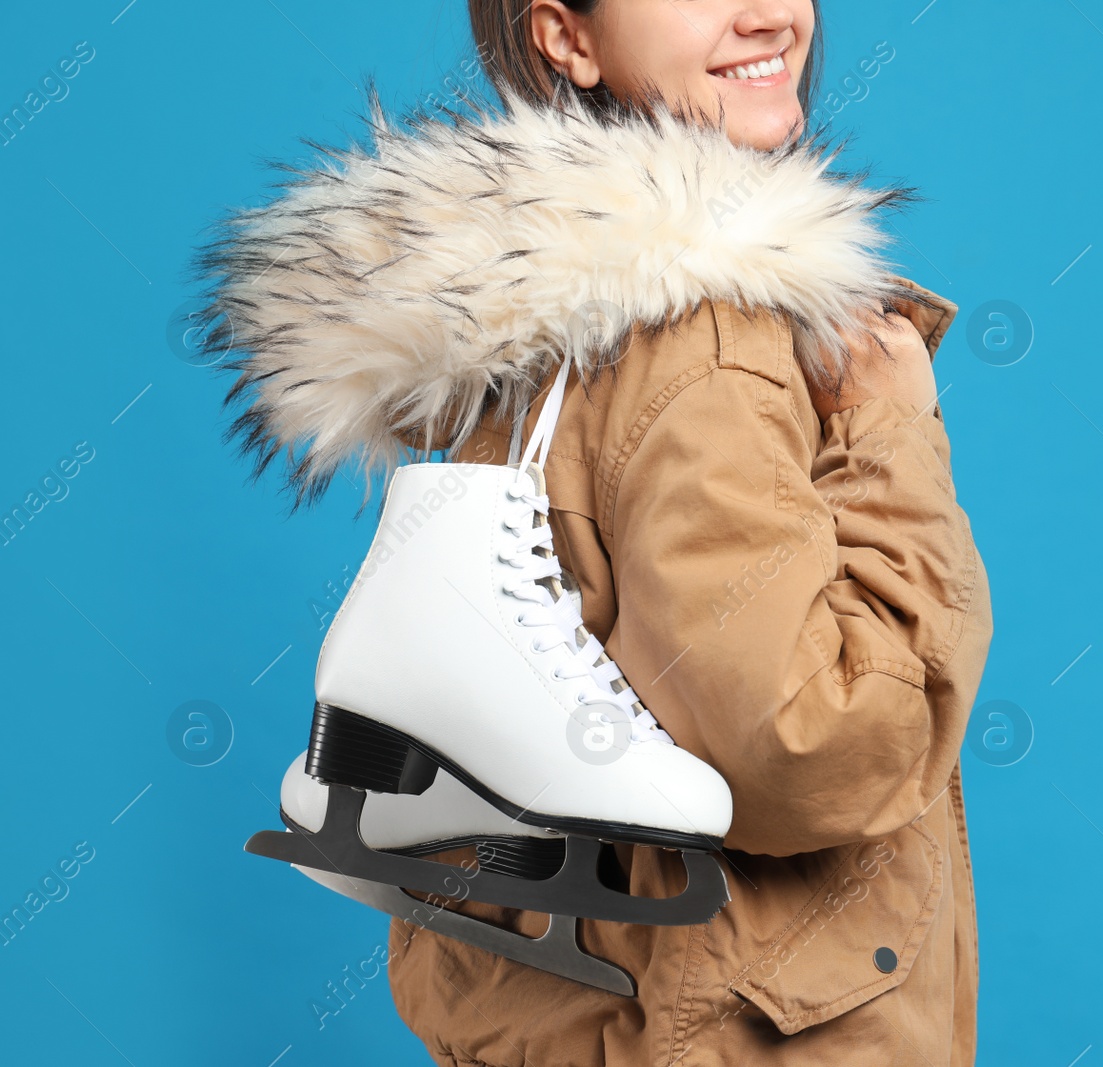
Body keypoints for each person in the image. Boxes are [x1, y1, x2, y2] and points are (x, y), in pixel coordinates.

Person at [204, 0, 993, 1062]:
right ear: (566, 38)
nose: (769, 16)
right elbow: (815, 748)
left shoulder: (530, 321)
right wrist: (885, 427)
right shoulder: (710, 333)